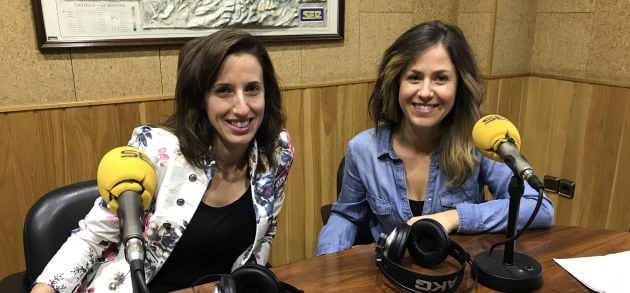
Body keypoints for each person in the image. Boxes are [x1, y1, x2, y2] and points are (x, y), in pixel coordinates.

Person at [32, 29, 294, 292]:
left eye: (252, 89)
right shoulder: (157, 151)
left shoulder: (276, 153)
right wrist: (44, 289)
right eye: (223, 90)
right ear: (201, 99)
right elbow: (91, 239)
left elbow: (265, 234)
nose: (242, 107)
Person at [315, 21, 553, 255]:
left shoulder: (480, 144)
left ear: (459, 85)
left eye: (441, 78)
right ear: (396, 82)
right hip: (389, 273)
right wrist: (325, 269)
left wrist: (452, 217)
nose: (426, 92)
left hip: (455, 273)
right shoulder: (362, 149)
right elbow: (346, 216)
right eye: (414, 77)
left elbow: (540, 207)